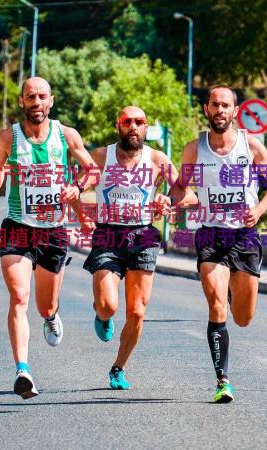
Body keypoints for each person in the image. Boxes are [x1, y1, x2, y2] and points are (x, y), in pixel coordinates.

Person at [0, 76, 98, 399]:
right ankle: (23, 370)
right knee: (19, 296)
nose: (36, 102)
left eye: (41, 96)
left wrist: (78, 188)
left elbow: (92, 170)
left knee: (45, 304)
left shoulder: (65, 135)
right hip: (17, 226)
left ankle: (50, 316)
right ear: (21, 102)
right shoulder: (8, 137)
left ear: (51, 100)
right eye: (30, 97)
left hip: (53, 231)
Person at [177, 85, 267, 403]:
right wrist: (184, 200)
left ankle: (236, 287)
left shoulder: (250, 146)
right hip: (211, 236)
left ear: (235, 111)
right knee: (217, 305)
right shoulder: (194, 149)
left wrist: (259, 210)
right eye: (214, 105)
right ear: (206, 110)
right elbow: (181, 187)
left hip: (244, 238)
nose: (220, 110)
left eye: (226, 105)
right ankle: (222, 380)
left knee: (244, 317)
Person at [83, 106, 197, 390]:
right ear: (117, 125)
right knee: (109, 306)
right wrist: (82, 212)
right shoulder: (99, 156)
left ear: (146, 128)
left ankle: (118, 367)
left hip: (144, 235)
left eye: (139, 122)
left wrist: (169, 201)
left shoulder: (157, 159)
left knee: (136, 312)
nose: (133, 126)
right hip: (108, 234)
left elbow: (189, 194)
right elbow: (76, 186)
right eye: (127, 121)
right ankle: (101, 314)